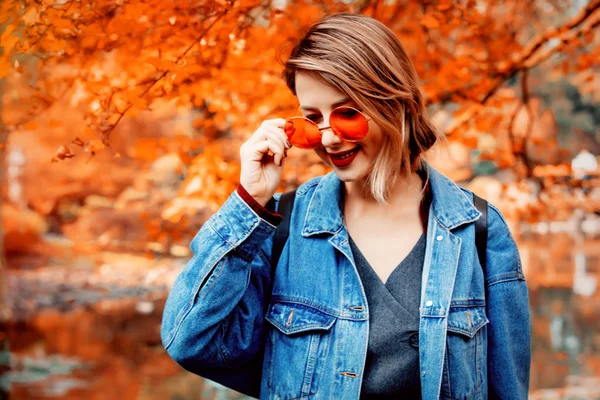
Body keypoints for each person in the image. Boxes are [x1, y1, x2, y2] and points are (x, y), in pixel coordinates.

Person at [161, 13, 531, 400]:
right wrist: (249, 203)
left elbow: (508, 388)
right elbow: (190, 341)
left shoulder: (480, 233)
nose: (328, 138)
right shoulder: (282, 229)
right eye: (311, 119)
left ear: (395, 101)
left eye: (347, 113)